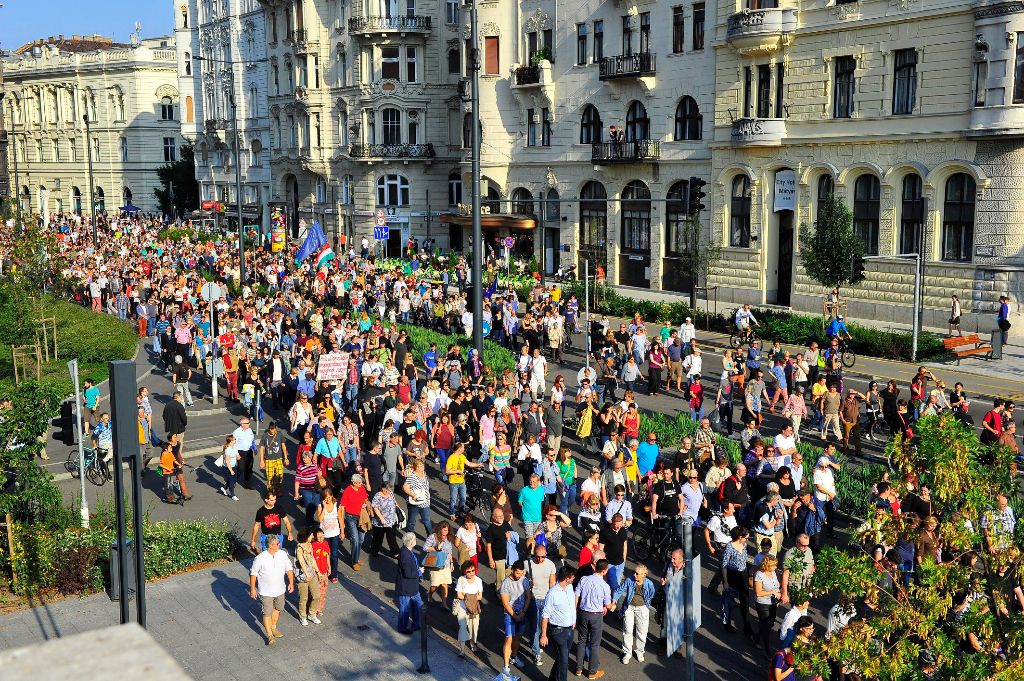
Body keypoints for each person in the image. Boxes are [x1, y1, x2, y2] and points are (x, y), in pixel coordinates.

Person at [249, 534, 295, 646]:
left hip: (280, 589)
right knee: (267, 612)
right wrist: (253, 589)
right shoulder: (260, 558)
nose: (280, 544)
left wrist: (291, 583)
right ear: (270, 545)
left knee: (278, 609)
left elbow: (289, 568)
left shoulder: (282, 554)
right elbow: (253, 574)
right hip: (266, 591)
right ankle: (269, 635)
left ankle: (273, 627)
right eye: (278, 543)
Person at [575, 558, 614, 679]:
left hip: (583, 612)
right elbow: (608, 605)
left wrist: (576, 611)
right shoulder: (605, 586)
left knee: (582, 641)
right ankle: (592, 672)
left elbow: (576, 596)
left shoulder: (584, 579)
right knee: (594, 645)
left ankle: (579, 668)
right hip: (596, 616)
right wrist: (613, 605)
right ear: (604, 570)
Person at [540, 564, 578, 681]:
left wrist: (573, 620)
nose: (574, 579)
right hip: (558, 632)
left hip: (570, 629)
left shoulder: (570, 587)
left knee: (562, 658)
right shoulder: (553, 593)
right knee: (564, 662)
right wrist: (544, 635)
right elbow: (545, 615)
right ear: (567, 578)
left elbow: (572, 605)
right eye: (572, 577)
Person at [612, 564, 655, 664]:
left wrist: (646, 604)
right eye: (634, 573)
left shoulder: (649, 584)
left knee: (642, 631)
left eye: (637, 574)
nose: (635, 575)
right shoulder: (629, 580)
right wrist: (614, 600)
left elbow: (651, 594)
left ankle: (640, 651)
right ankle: (627, 652)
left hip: (642, 608)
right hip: (629, 607)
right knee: (627, 630)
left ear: (644, 575)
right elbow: (619, 590)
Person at [524, 544, 558, 664]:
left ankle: (534, 642)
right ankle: (536, 652)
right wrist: (528, 585)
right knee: (535, 627)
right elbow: (520, 581)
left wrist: (552, 600)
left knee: (540, 625)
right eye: (538, 557)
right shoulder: (527, 564)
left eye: (543, 557)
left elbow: (552, 583)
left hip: (545, 599)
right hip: (532, 599)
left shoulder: (550, 565)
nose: (540, 559)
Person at [500, 560, 533, 678]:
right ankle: (506, 666)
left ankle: (514, 657)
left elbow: (528, 596)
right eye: (517, 573)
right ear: (512, 570)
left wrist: (523, 612)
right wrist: (515, 616)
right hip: (510, 615)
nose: (519, 576)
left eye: (521, 573)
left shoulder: (524, 580)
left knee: (518, 637)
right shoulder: (506, 583)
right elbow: (505, 603)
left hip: (522, 613)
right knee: (508, 639)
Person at [753, 554, 782, 659]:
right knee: (767, 626)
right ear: (767, 565)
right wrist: (773, 592)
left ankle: (756, 637)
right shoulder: (759, 575)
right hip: (762, 603)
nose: (775, 567)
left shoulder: (774, 572)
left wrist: (779, 596)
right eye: (773, 565)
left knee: (769, 624)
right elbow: (758, 593)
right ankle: (767, 651)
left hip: (773, 603)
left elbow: (777, 586)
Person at [340, 473, 371, 570]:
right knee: (355, 539)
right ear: (353, 483)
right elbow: (342, 506)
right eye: (358, 483)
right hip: (351, 518)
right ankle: (354, 562)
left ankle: (356, 558)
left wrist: (366, 504)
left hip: (361, 517)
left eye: (361, 482)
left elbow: (365, 498)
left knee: (361, 539)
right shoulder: (347, 491)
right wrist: (342, 522)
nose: (361, 484)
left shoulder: (362, 488)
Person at [396, 532, 424, 634]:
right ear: (411, 542)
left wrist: (417, 569)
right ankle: (402, 628)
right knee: (405, 609)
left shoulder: (407, 551)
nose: (416, 540)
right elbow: (408, 573)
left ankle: (416, 624)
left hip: (412, 586)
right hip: (406, 587)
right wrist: (419, 572)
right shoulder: (405, 555)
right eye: (415, 539)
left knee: (418, 605)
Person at [295, 528, 323, 627]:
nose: (313, 537)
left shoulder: (310, 545)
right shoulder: (300, 547)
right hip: (303, 576)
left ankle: (312, 614)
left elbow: (312, 559)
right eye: (311, 535)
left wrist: (318, 572)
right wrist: (307, 574)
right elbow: (301, 562)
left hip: (312, 573)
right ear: (307, 536)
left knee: (316, 595)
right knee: (304, 597)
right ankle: (303, 616)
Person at [455, 560, 484, 657]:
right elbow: (459, 595)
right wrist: (471, 597)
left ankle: (472, 643)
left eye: (473, 570)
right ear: (464, 572)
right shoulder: (461, 579)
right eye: (468, 571)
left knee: (473, 629)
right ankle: (462, 650)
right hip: (462, 608)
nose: (471, 573)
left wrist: (467, 596)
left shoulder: (478, 580)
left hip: (474, 609)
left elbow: (480, 596)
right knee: (462, 627)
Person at [486, 507, 515, 590]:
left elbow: (513, 534)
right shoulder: (490, 530)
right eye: (499, 516)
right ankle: (499, 595)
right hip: (498, 557)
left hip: (508, 556)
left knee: (509, 576)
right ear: (493, 517)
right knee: (501, 579)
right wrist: (491, 560)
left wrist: (510, 536)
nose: (501, 517)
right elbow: (488, 546)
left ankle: (506, 592)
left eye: (502, 515)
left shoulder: (505, 524)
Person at [232, 416, 256, 490]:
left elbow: (252, 440)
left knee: (249, 468)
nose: (249, 424)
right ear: (242, 424)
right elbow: (233, 444)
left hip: (249, 451)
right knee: (241, 468)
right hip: (240, 452)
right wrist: (236, 454)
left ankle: (247, 484)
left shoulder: (250, 430)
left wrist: (254, 448)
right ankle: (233, 480)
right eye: (248, 423)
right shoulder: (236, 432)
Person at [218, 433, 239, 500]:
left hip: (234, 466)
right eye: (234, 439)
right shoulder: (228, 450)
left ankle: (224, 488)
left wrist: (238, 457)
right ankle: (233, 495)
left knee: (234, 480)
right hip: (227, 468)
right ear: (231, 441)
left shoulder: (235, 447)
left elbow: (237, 455)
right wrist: (231, 470)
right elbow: (227, 461)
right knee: (231, 481)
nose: (236, 440)